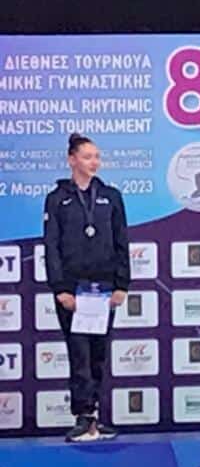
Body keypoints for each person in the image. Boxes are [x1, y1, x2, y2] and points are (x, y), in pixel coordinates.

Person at [43, 134, 130, 442]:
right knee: (79, 353)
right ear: (72, 160)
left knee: (99, 354)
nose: (94, 162)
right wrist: (60, 289)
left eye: (97, 157)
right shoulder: (57, 199)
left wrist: (122, 285)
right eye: (87, 156)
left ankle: (96, 416)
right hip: (73, 291)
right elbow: (51, 247)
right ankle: (83, 416)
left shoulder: (111, 196)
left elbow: (122, 241)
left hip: (103, 290)